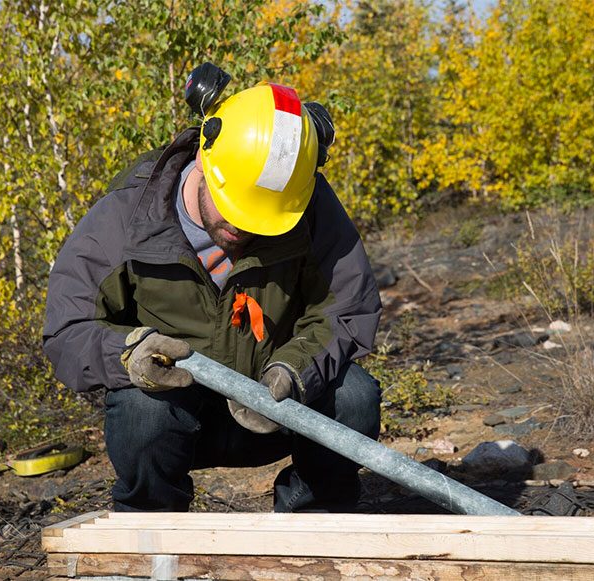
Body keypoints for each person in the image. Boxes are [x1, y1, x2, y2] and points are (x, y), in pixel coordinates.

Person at [43, 64, 382, 512]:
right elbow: (66, 328)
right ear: (205, 160)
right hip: (175, 413)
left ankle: (313, 516)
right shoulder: (128, 216)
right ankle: (154, 524)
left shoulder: (308, 203)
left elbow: (348, 311)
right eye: (235, 209)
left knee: (354, 396)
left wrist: (295, 372)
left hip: (275, 404)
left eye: (264, 219)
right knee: (143, 415)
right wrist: (128, 352)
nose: (244, 229)